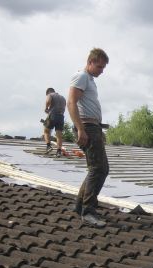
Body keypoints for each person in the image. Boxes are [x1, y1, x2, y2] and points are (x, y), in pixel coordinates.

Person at [67, 48, 110, 227]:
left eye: (103, 67)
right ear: (90, 62)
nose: (102, 70)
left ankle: (79, 206)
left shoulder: (89, 79)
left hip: (93, 127)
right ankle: (88, 212)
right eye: (99, 66)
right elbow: (71, 102)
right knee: (99, 169)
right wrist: (80, 129)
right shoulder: (82, 76)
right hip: (86, 126)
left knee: (97, 168)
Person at [43, 88, 66, 157]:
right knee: (59, 135)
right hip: (61, 116)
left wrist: (46, 108)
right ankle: (58, 151)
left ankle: (48, 146)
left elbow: (48, 101)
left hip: (52, 115)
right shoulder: (63, 97)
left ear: (48, 92)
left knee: (46, 131)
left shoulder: (50, 94)